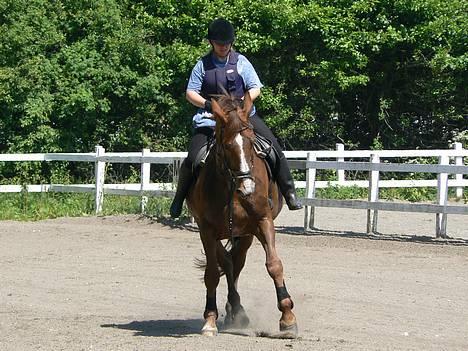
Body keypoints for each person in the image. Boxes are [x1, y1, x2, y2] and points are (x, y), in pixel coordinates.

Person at [170, 18, 302, 218]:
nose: (223, 47)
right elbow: (191, 93)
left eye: (227, 43)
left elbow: (255, 87)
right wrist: (207, 104)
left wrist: (244, 102)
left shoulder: (241, 61)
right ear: (211, 42)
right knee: (192, 158)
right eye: (219, 43)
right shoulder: (202, 65)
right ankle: (179, 200)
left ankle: (289, 191)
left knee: (274, 147)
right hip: (210, 120)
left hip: (242, 118)